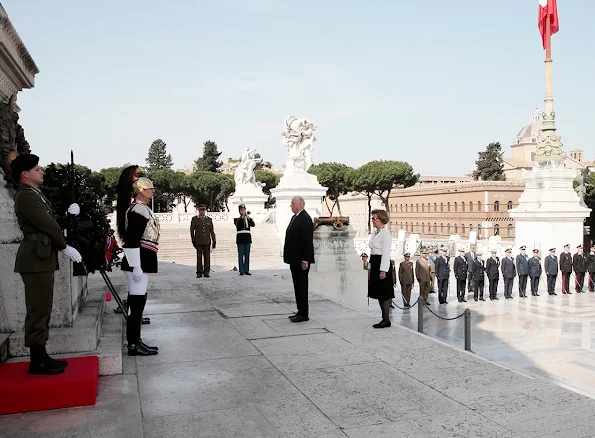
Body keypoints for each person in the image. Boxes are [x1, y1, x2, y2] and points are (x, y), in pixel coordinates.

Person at [11, 154, 83, 375]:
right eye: (37, 169)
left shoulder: (34, 194)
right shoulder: (25, 196)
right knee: (38, 309)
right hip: (35, 258)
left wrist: (67, 214)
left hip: (41, 257)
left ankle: (41, 356)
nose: (41, 171)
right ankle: (37, 360)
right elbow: (46, 224)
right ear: (25, 173)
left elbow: (48, 219)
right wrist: (64, 246)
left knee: (44, 307)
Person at [116, 166, 160, 357]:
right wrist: (135, 265)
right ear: (141, 190)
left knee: (139, 302)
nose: (153, 191)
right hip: (138, 260)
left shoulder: (142, 209)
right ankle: (133, 345)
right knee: (137, 305)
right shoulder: (138, 211)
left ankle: (137, 341)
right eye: (150, 188)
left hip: (143, 259)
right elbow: (131, 240)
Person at [284, 196, 314, 323]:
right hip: (294, 259)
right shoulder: (295, 217)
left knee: (302, 286)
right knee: (297, 286)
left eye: (292, 203)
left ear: (300, 204)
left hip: (300, 260)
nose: (291, 205)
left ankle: (304, 314)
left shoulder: (305, 219)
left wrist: (305, 260)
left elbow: (306, 242)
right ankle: (300, 310)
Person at [367, 209, 394, 328]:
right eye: (372, 218)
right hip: (374, 262)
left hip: (382, 264)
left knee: (384, 293)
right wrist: (369, 267)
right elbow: (372, 251)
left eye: (374, 218)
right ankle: (384, 318)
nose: (372, 221)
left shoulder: (385, 234)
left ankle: (386, 319)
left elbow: (386, 254)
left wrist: (383, 270)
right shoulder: (374, 233)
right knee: (378, 292)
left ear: (381, 219)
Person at [190, 204, 216, 278]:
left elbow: (212, 231)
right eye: (201, 210)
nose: (202, 211)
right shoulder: (195, 219)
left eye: (203, 210)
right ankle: (199, 272)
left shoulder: (209, 220)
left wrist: (214, 241)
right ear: (198, 211)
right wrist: (193, 240)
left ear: (205, 211)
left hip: (207, 241)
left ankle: (206, 272)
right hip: (198, 241)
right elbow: (192, 231)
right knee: (199, 257)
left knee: (207, 257)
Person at [234, 204, 255, 276]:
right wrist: (242, 217)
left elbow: (253, 224)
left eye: (244, 210)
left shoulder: (248, 219)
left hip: (247, 239)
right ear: (239, 211)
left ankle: (246, 270)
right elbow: (237, 224)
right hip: (240, 239)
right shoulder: (236, 219)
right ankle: (241, 270)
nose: (243, 211)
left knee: (247, 255)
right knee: (240, 255)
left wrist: (248, 218)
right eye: (242, 210)